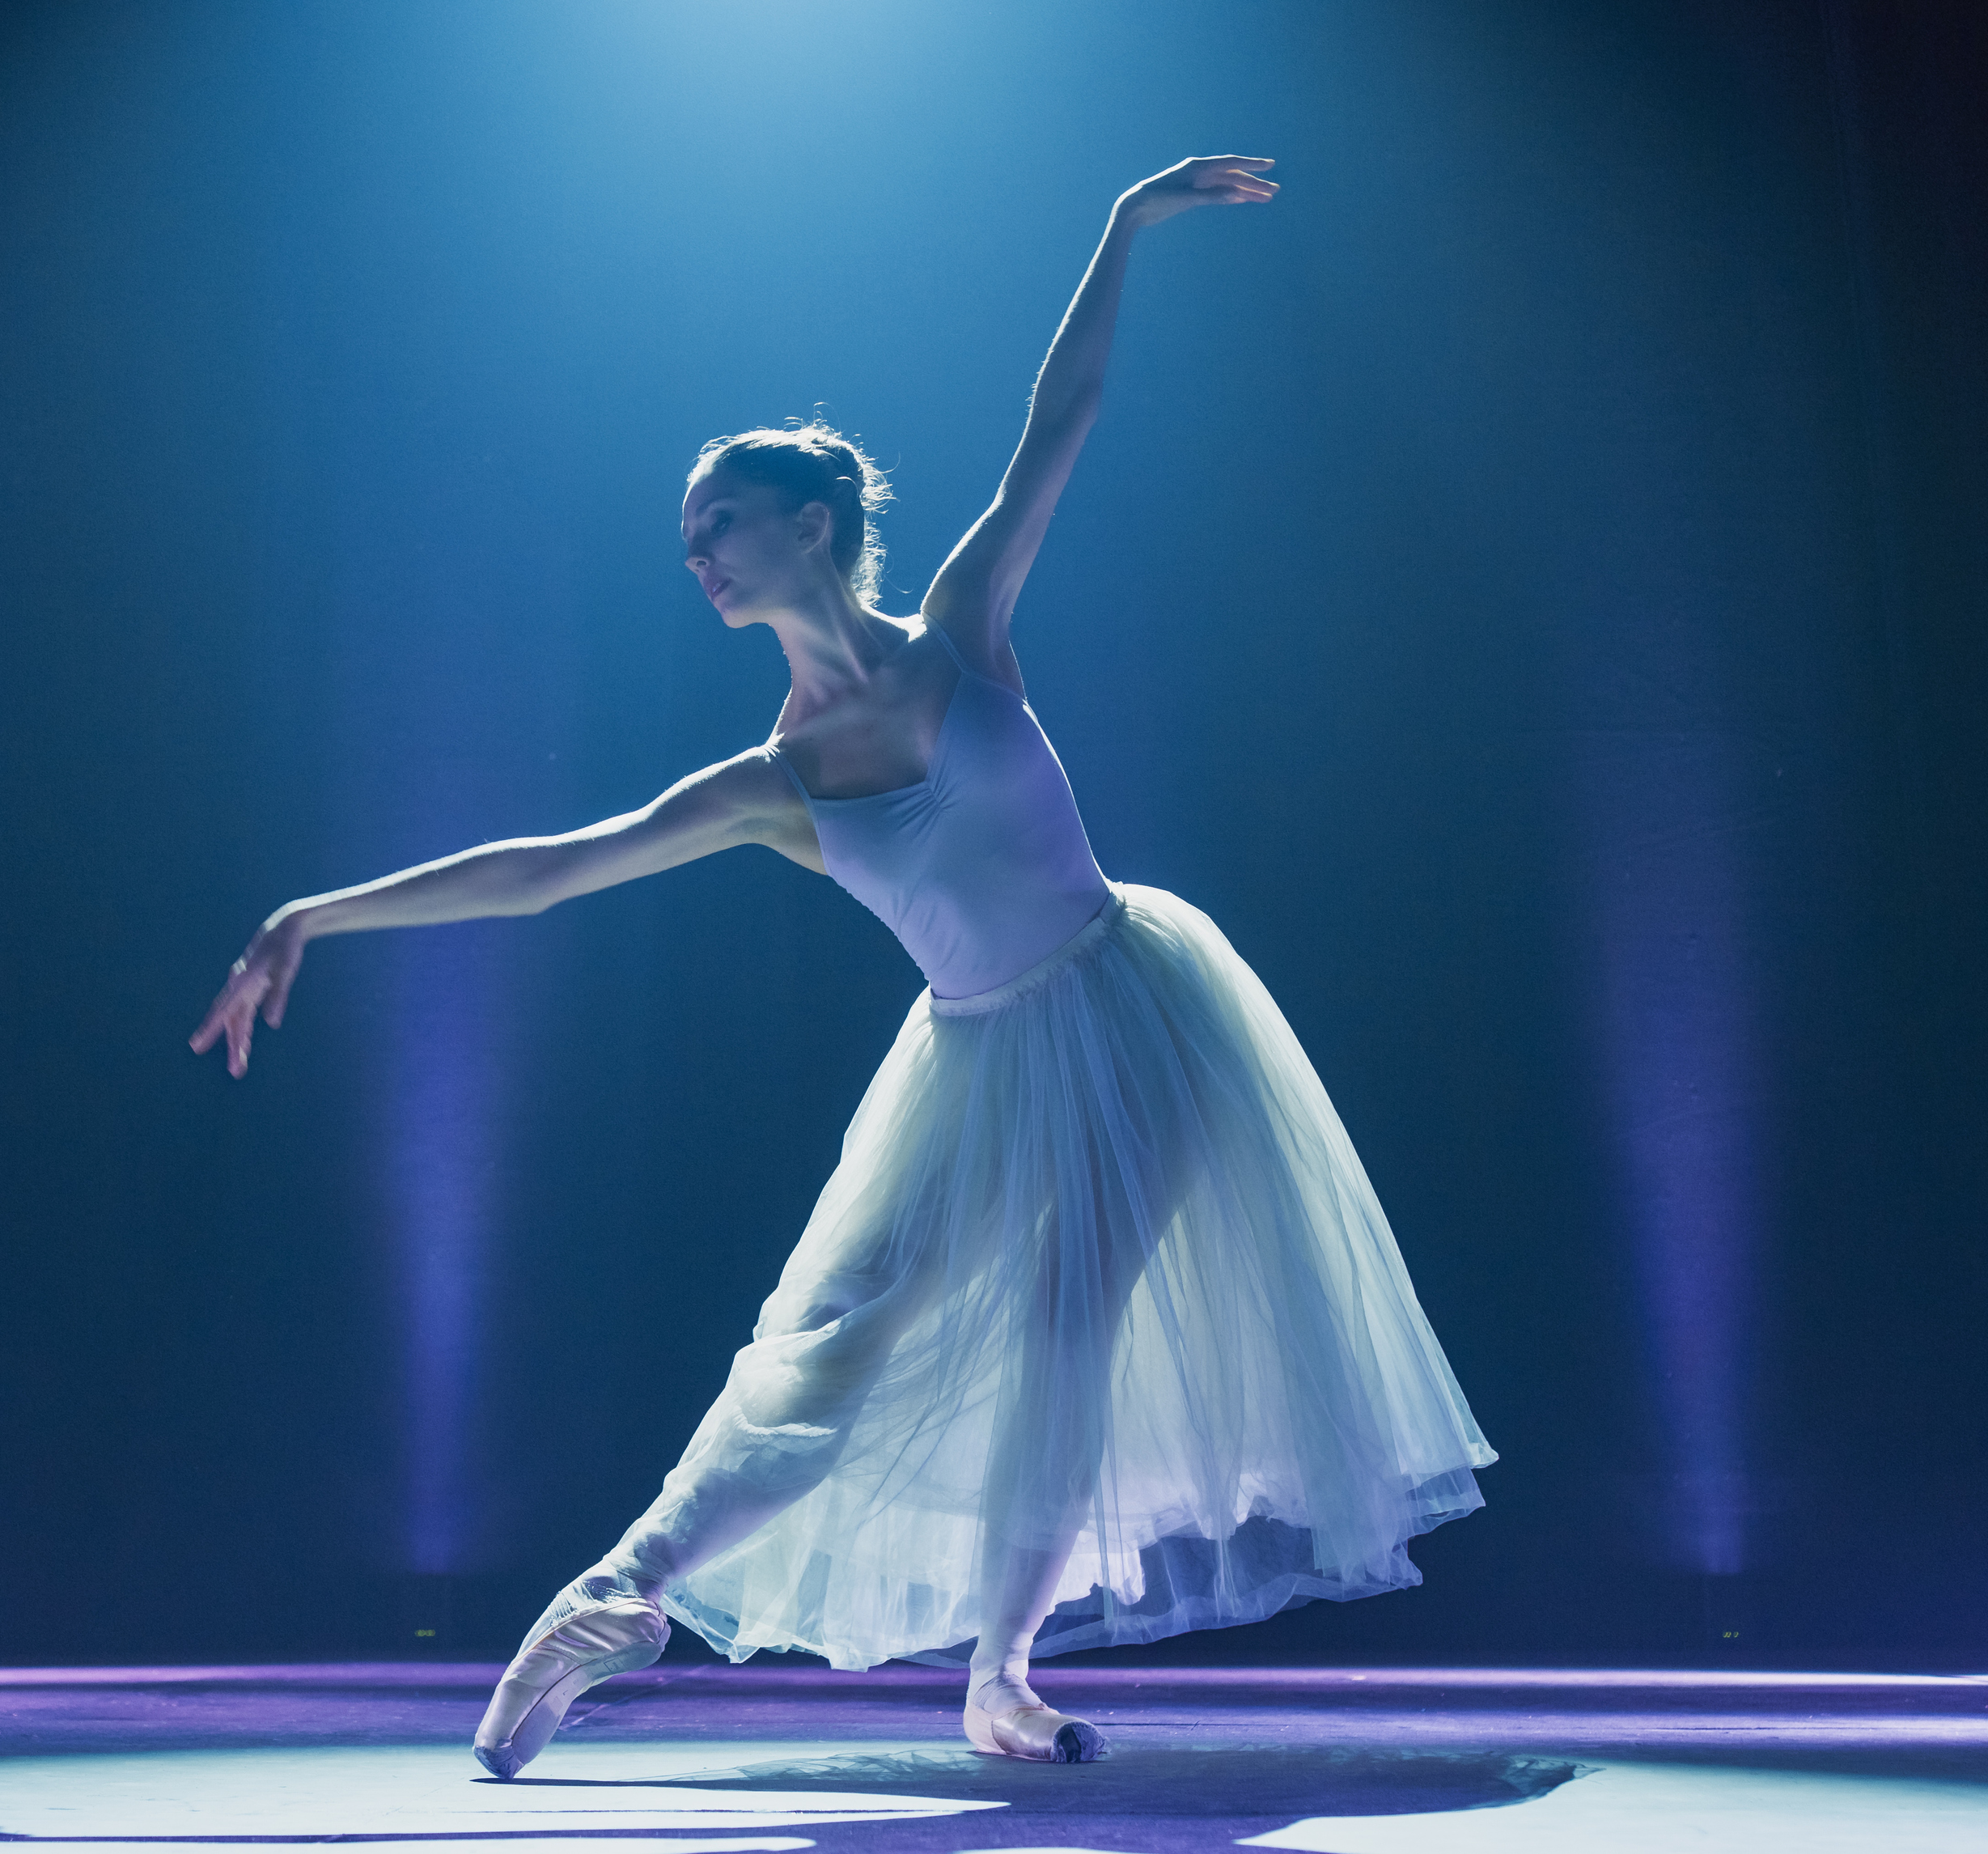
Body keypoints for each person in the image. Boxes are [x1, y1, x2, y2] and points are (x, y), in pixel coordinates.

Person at [189, 156, 1494, 1775]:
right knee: (835, 1349)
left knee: (1073, 1337)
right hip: (971, 1055)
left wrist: (1123, 228)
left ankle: (1000, 1677)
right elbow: (552, 873)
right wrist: (317, 912)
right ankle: (619, 1591)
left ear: (811, 528)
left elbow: (1060, 421)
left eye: (716, 525)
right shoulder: (772, 782)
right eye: (687, 539)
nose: (697, 558)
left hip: (1137, 1006)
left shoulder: (961, 631)